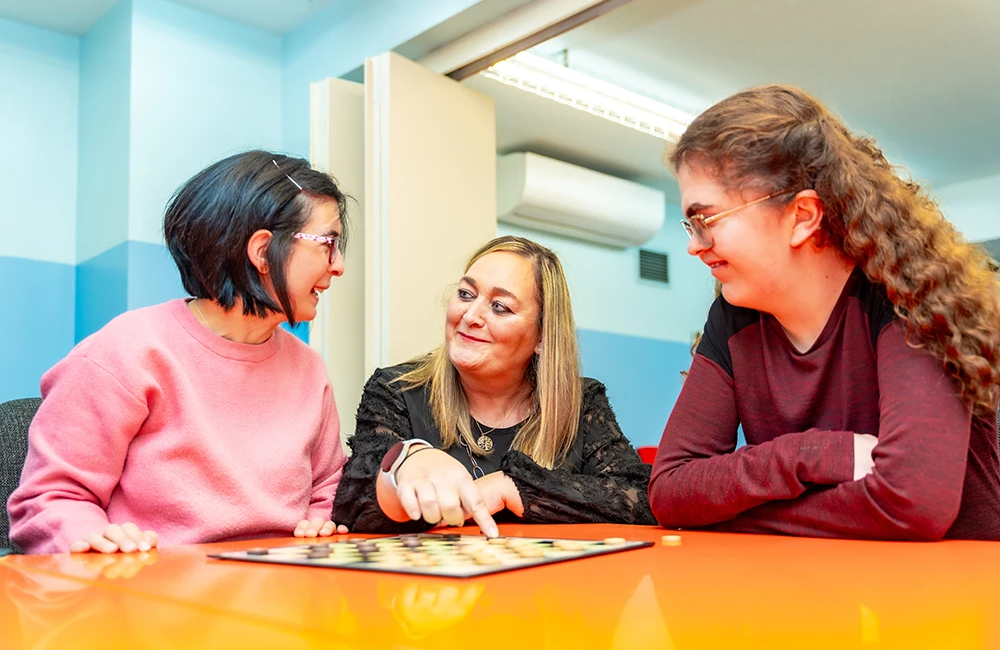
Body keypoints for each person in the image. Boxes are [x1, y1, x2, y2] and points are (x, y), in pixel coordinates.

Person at [649, 85, 1000, 540]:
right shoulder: (734, 316)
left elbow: (912, 503)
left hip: (955, 592)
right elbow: (672, 491)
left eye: (706, 220)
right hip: (829, 590)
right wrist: (815, 453)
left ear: (802, 216)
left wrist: (735, 518)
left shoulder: (908, 293)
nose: (694, 246)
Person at [8, 150, 351, 554]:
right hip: (154, 591)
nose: (339, 265)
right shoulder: (126, 351)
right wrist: (90, 539)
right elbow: (51, 500)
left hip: (281, 589)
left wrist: (320, 521)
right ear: (262, 251)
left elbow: (328, 485)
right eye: (328, 244)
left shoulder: (308, 367)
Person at [333, 235, 655, 536]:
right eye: (465, 294)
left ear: (542, 337)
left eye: (499, 306)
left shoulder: (581, 403)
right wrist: (406, 463)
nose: (470, 315)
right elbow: (351, 504)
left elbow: (640, 497)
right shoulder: (397, 389)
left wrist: (513, 488)